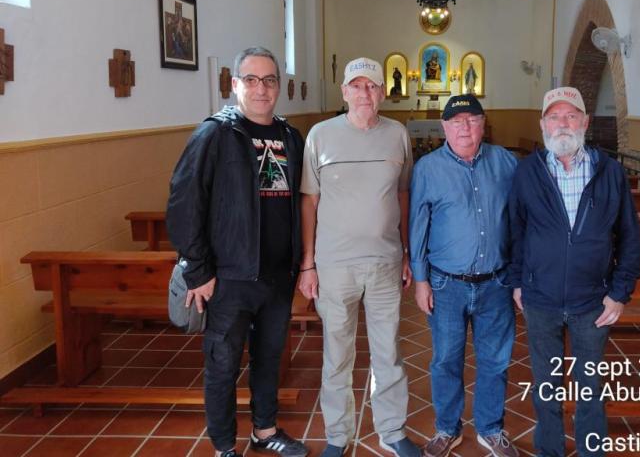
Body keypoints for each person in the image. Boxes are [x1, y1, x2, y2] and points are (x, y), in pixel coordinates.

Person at [166, 47, 309, 457]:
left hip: (277, 276)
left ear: (278, 86)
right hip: (229, 277)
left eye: (269, 80)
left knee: (269, 358)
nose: (261, 88)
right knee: (222, 364)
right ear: (234, 84)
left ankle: (265, 431)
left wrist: (302, 262)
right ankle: (224, 446)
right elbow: (183, 204)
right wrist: (198, 270)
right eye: (251, 79)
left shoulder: (290, 137)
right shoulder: (215, 135)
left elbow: (302, 202)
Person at [508, 87, 640, 457]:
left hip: (592, 301)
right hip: (541, 299)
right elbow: (516, 232)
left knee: (590, 387)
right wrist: (518, 282)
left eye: (571, 116)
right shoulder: (527, 172)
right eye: (554, 116)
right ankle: (549, 450)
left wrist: (619, 292)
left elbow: (629, 236)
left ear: (585, 121)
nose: (562, 124)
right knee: (546, 386)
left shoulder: (609, 172)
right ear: (543, 124)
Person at [298, 57, 419, 457]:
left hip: (385, 262)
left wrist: (406, 252)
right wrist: (308, 263)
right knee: (337, 355)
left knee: (389, 353)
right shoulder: (320, 135)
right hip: (334, 265)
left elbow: (403, 194)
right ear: (344, 91)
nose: (365, 93)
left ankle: (392, 430)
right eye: (357, 85)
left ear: (383, 92)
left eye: (372, 86)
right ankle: (337, 435)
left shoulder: (398, 134)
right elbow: (310, 201)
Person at [410, 95, 519, 457]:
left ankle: (490, 428)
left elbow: (519, 221)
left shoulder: (506, 162)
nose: (465, 128)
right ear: (444, 127)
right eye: (456, 121)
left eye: (472, 120)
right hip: (446, 285)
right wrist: (421, 280)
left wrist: (518, 276)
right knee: (445, 360)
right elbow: (418, 225)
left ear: (483, 124)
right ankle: (447, 428)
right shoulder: (428, 168)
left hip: (496, 283)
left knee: (495, 360)